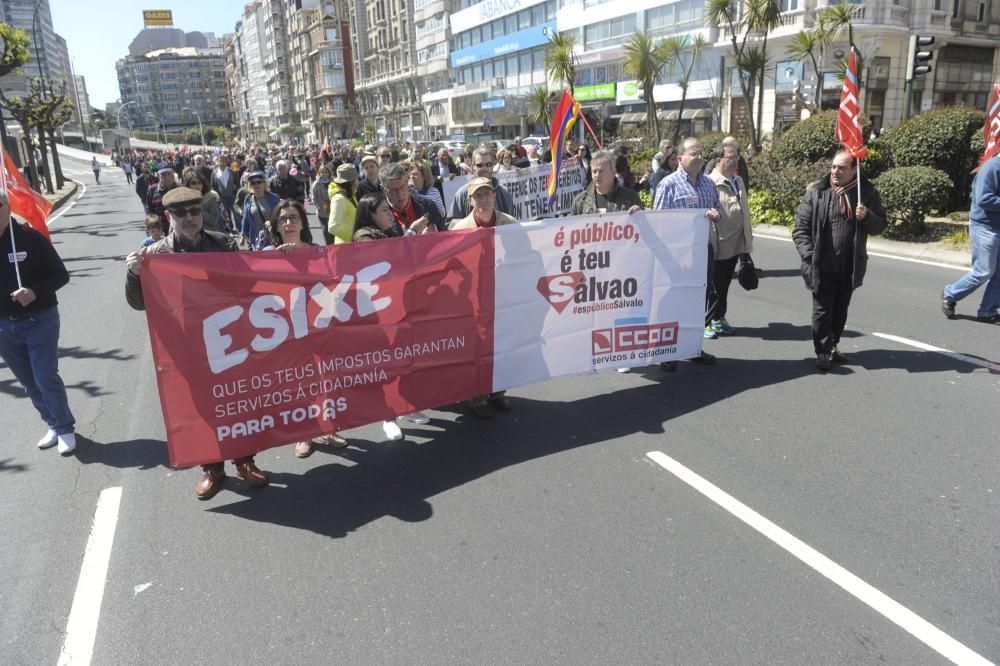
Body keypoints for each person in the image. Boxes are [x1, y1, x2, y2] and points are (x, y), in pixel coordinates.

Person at [125, 187, 270, 498]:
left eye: (194, 211)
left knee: (237, 403)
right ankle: (212, 467)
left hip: (229, 342)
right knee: (203, 409)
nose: (189, 218)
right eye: (181, 214)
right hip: (187, 348)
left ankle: (244, 460)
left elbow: (252, 283)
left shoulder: (225, 244)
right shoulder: (155, 256)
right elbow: (139, 304)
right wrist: (135, 274)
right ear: (168, 217)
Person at [261, 199, 349, 456]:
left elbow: (332, 281)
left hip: (319, 327)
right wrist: (276, 259)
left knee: (325, 379)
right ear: (276, 226)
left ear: (302, 222)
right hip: (288, 330)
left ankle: (328, 427)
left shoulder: (317, 251)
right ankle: (305, 433)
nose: (288, 223)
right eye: (283, 219)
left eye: (293, 218)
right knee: (299, 383)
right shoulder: (267, 253)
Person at [792, 151, 887, 370]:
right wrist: (809, 255)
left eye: (842, 168)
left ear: (854, 170)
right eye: (834, 167)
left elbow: (880, 225)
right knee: (823, 309)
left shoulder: (867, 193)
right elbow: (800, 228)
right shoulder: (817, 192)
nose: (835, 172)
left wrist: (867, 217)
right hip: (821, 264)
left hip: (849, 265)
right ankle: (822, 351)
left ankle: (833, 344)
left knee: (840, 309)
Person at [351, 191, 432, 440]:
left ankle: (405, 406)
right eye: (384, 211)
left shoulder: (385, 233)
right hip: (376, 313)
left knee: (402, 358)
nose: (389, 214)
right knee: (384, 364)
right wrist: (412, 234)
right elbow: (385, 257)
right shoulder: (363, 237)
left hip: (395, 307)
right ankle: (387, 416)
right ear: (370, 214)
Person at [0, 191, 76, 454]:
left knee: (44, 376)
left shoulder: (30, 238)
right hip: (3, 327)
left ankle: (65, 427)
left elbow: (61, 275)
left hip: (39, 319)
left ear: (7, 207)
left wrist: (33, 291)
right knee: (28, 382)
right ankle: (52, 423)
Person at [448, 177, 517, 418]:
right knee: (478, 346)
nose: (484, 199)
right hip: (474, 298)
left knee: (502, 344)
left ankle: (498, 391)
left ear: (495, 196)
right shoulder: (460, 230)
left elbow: (526, 255)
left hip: (502, 295)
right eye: (478, 195)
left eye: (487, 194)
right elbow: (451, 267)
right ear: (469, 200)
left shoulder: (509, 223)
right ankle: (478, 397)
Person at [653, 137, 722, 369]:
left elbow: (717, 210)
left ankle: (692, 348)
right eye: (694, 153)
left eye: (701, 153)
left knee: (696, 302)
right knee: (673, 304)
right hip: (676, 255)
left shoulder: (709, 184)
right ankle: (667, 353)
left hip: (702, 253)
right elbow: (658, 222)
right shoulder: (668, 184)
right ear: (680, 158)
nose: (700, 157)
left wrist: (715, 214)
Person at [941, 151, 1000, 323]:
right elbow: (984, 198)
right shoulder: (992, 167)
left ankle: (987, 311)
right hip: (985, 226)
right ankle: (950, 293)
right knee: (984, 270)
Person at [706, 146, 754, 337]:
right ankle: (707, 321)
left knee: (725, 284)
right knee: (714, 285)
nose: (735, 162)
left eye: (737, 158)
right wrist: (713, 245)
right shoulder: (710, 182)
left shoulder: (738, 180)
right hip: (719, 244)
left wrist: (747, 242)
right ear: (718, 160)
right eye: (731, 158)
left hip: (736, 243)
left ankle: (719, 317)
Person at [447, 147, 514, 221]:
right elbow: (451, 225)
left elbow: (511, 225)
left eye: (488, 164)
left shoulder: (504, 193)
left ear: (493, 166)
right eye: (480, 165)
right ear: (473, 166)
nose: (484, 169)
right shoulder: (462, 194)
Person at [571, 149, 643, 216]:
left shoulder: (630, 197)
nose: (597, 175)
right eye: (594, 171)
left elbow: (645, 226)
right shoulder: (580, 201)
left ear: (613, 171)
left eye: (601, 171)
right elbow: (572, 227)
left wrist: (639, 214)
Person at [380, 161, 446, 232]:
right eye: (394, 190)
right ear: (383, 189)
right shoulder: (378, 214)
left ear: (407, 181)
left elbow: (445, 235)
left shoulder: (427, 205)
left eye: (402, 187)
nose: (400, 195)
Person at [240, 171, 280, 250]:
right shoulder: (248, 199)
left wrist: (271, 222)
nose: (256, 185)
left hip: (272, 237)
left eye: (259, 182)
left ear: (264, 183)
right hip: (257, 238)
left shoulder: (274, 198)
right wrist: (243, 234)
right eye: (253, 183)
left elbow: (280, 216)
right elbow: (245, 217)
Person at [327, 163, 359, 244]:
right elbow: (333, 226)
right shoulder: (339, 198)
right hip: (345, 247)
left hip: (352, 245)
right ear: (350, 182)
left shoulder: (349, 194)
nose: (358, 181)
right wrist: (352, 237)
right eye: (356, 179)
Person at [147, 166, 179, 234]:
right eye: (163, 175)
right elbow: (149, 210)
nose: (166, 177)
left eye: (169, 174)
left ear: (173, 175)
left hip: (178, 227)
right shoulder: (152, 189)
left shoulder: (180, 189)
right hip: (159, 229)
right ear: (159, 176)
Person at [211, 157, 240, 231]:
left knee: (236, 214)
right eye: (220, 161)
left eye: (223, 161)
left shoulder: (231, 171)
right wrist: (217, 195)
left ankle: (239, 229)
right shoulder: (214, 173)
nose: (221, 162)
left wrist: (236, 189)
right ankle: (231, 230)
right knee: (227, 215)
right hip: (222, 197)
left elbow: (237, 181)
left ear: (226, 162)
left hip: (233, 196)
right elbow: (213, 186)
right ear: (217, 162)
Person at [311, 164, 333, 235]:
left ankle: (333, 245)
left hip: (332, 208)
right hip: (322, 210)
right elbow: (314, 197)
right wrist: (318, 207)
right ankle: (328, 245)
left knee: (332, 228)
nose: (324, 174)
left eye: (325, 172)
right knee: (325, 229)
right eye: (322, 172)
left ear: (328, 173)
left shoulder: (333, 182)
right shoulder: (316, 184)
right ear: (319, 173)